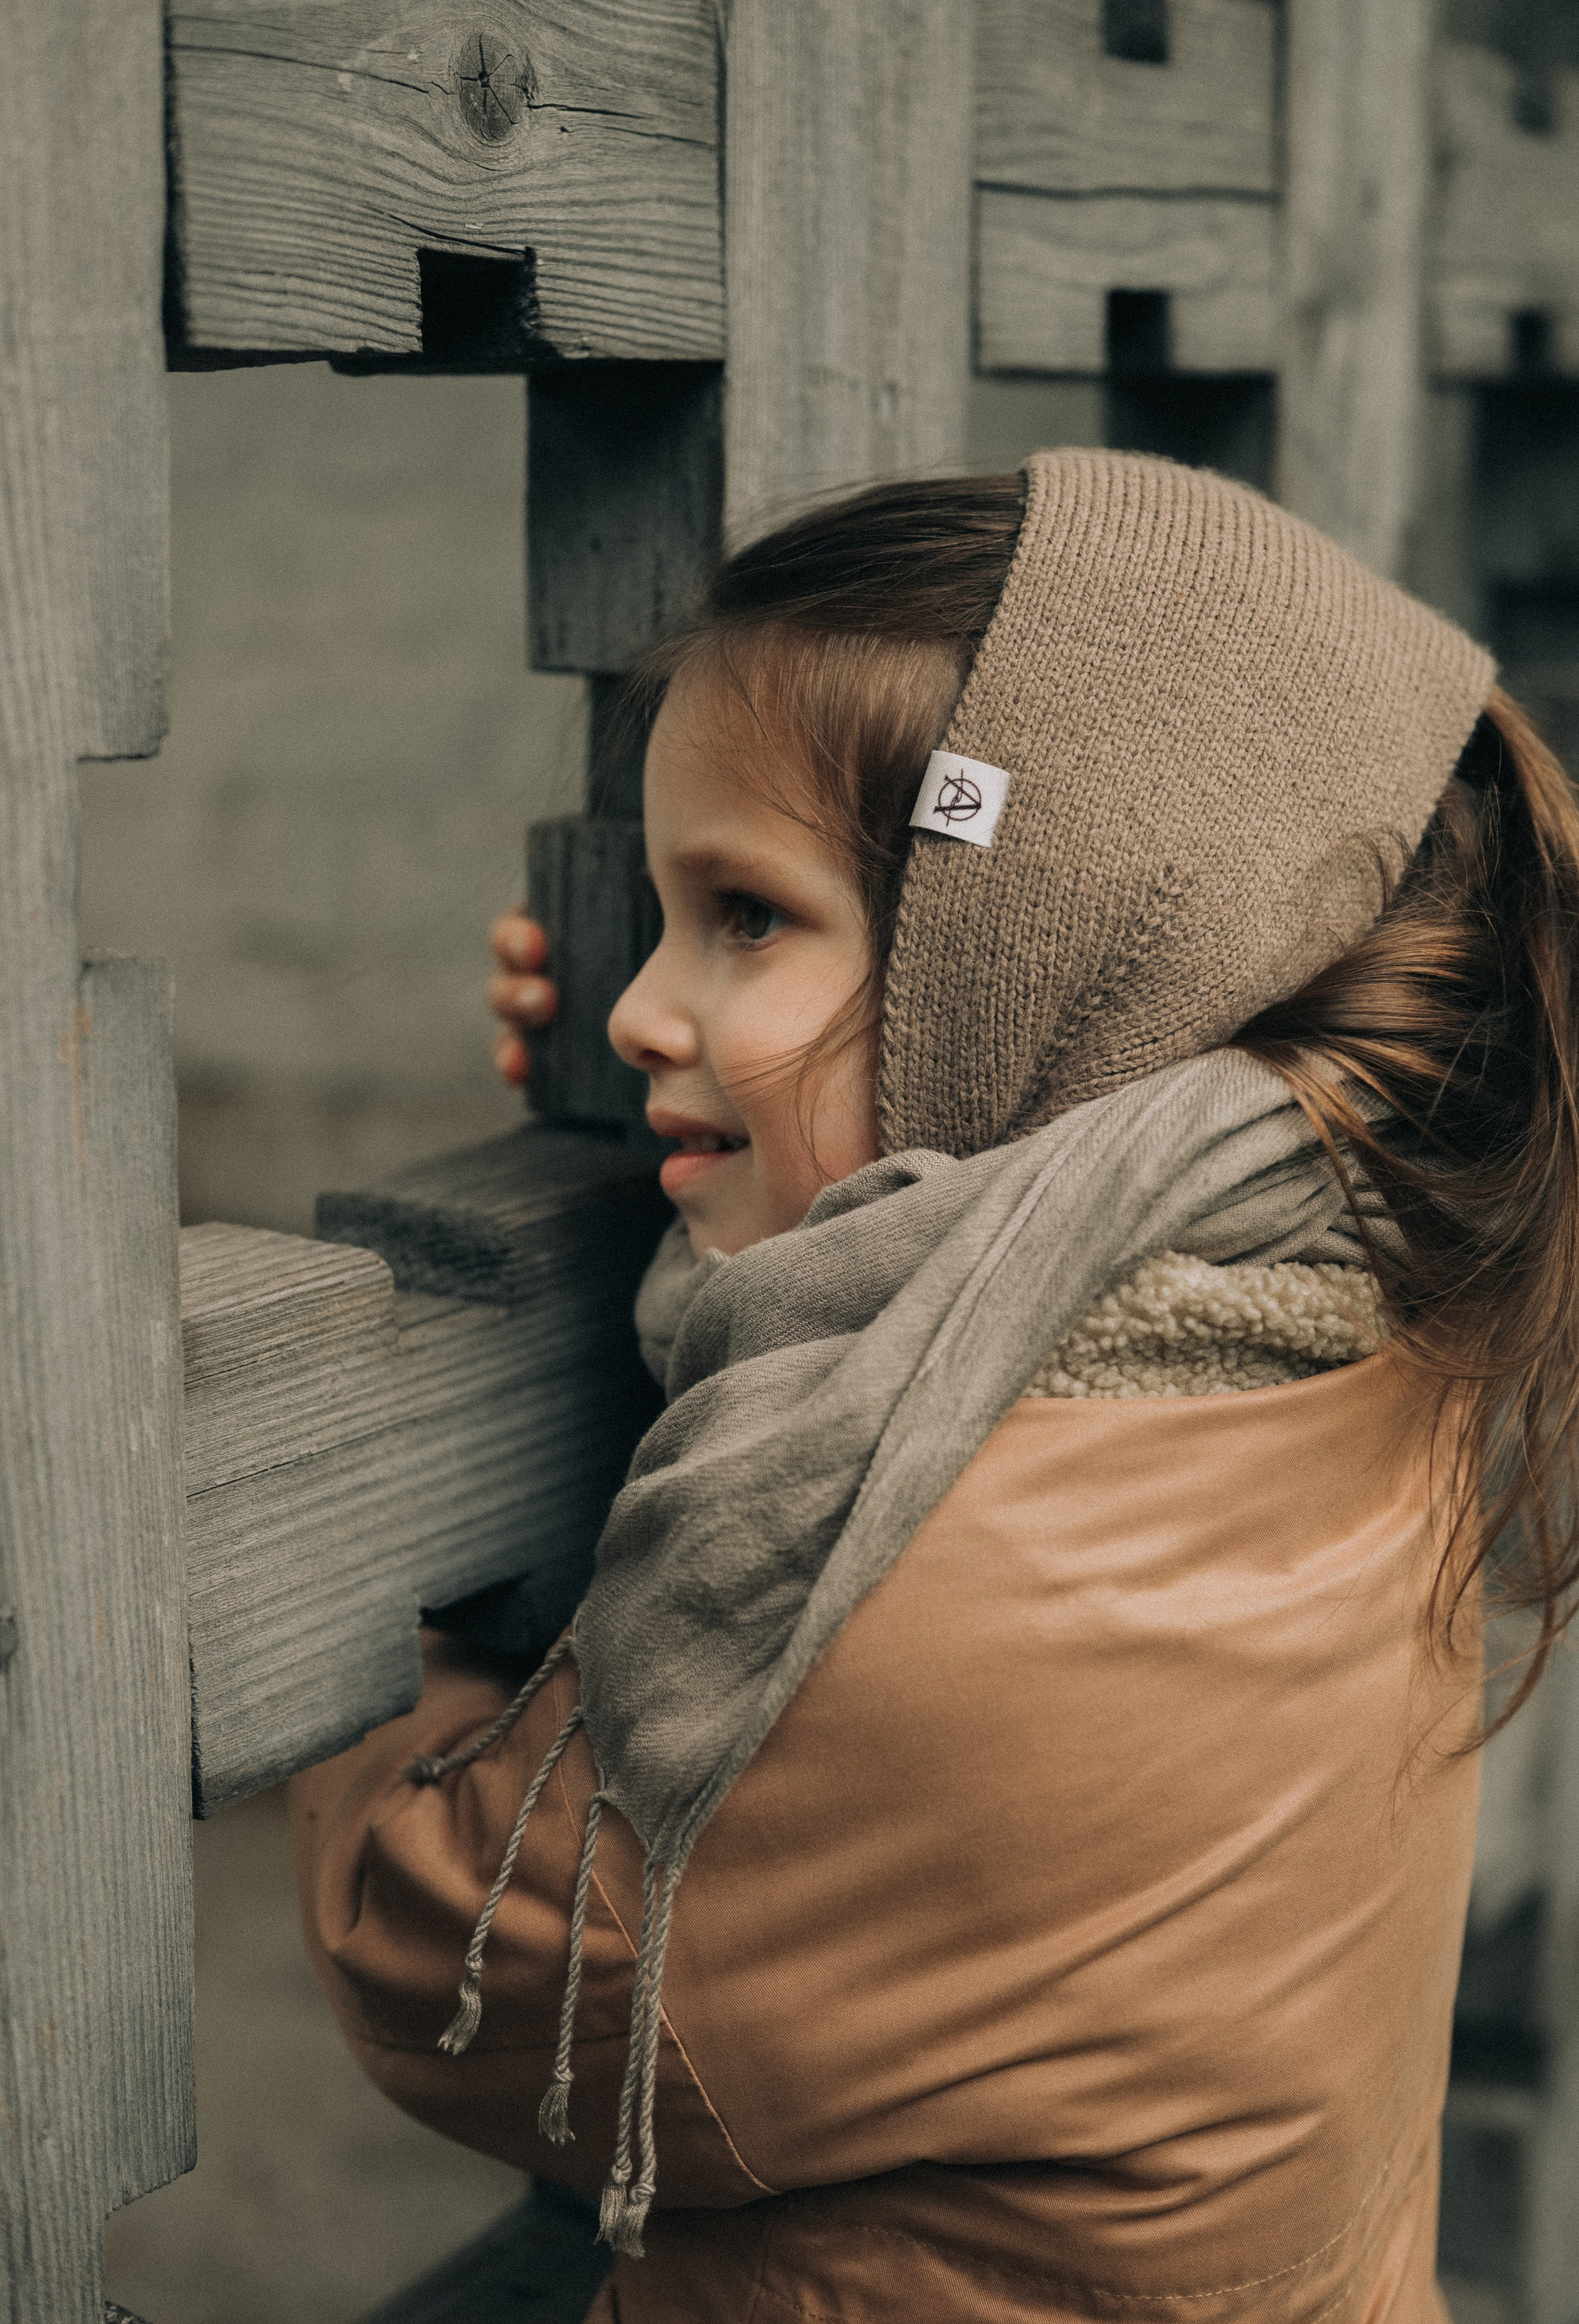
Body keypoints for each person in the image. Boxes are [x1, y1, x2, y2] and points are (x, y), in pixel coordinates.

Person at [291, 451, 1579, 2323]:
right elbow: (902, 1260)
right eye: (662, 912)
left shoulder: (930, 1592)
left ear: (1033, 962)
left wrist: (399, 1655)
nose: (638, 1004)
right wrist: (705, 1097)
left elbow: (453, 1961)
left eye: (746, 913)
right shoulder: (1355, 1300)